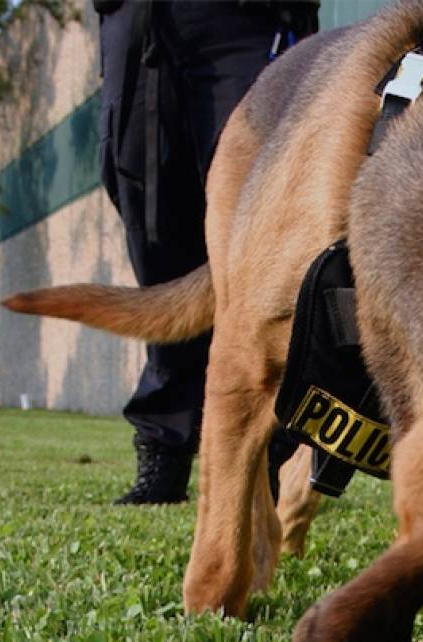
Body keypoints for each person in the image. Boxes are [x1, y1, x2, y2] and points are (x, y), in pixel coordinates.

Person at [95, 0, 319, 504]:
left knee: (261, 226)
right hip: (138, 17)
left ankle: (274, 444)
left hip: (247, 16)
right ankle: (165, 443)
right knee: (151, 227)